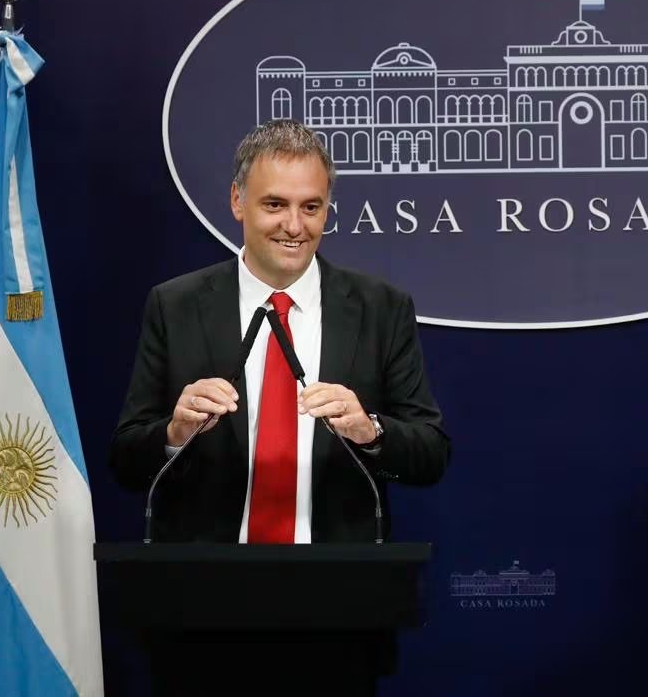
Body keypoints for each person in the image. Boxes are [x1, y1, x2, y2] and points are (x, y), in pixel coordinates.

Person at [110, 118, 450, 694]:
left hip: (336, 615)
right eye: (275, 204)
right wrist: (174, 430)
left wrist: (370, 430)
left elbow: (431, 453)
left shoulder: (380, 308)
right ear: (238, 201)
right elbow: (126, 459)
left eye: (312, 207)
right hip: (202, 614)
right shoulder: (176, 305)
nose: (295, 226)